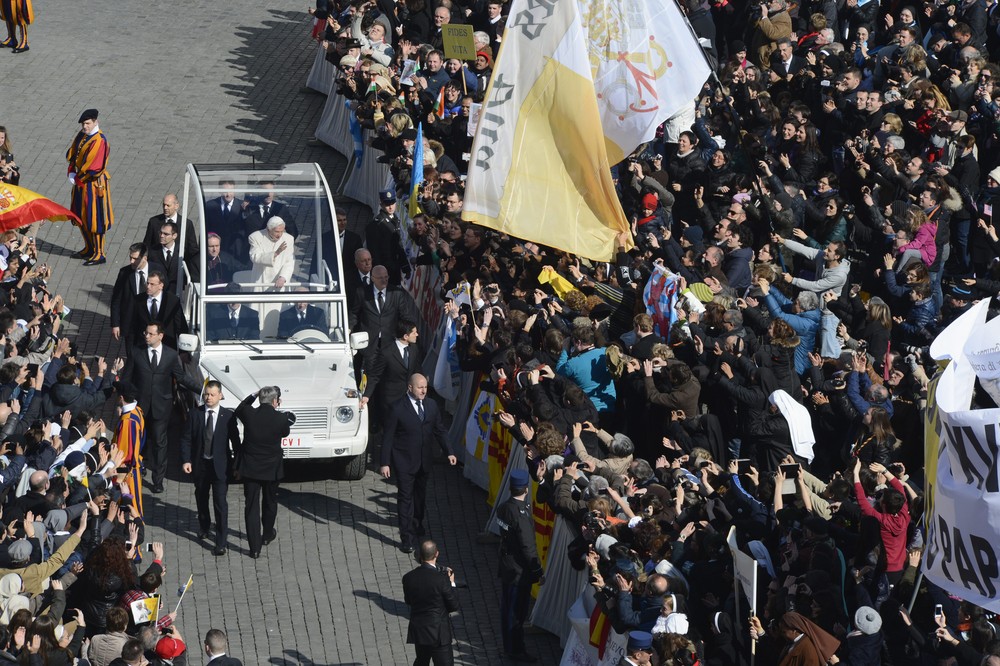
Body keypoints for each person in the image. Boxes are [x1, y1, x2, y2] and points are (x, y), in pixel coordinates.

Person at [119, 322, 201, 494]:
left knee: (160, 442)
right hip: (140, 406)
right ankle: (138, 469)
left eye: (150, 333)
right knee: (138, 441)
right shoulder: (137, 352)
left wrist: (202, 390)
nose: (146, 336)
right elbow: (127, 377)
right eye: (145, 333)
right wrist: (125, 400)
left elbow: (181, 377)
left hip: (161, 407)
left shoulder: (171, 355)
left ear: (160, 336)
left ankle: (158, 479)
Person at [379, 374, 456, 553]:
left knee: (420, 497)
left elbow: (439, 430)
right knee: (405, 498)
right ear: (410, 387)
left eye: (425, 387)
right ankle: (406, 537)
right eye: (420, 387)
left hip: (424, 461)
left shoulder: (431, 405)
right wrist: (385, 463)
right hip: (404, 462)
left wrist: (449, 452)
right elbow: (388, 437)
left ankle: (417, 522)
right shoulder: (397, 408)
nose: (423, 390)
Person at [233, 386, 294, 559]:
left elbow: (240, 408)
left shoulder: (249, 414)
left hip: (250, 468)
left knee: (251, 506)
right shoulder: (281, 418)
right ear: (275, 401)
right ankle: (267, 534)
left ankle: (254, 548)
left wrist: (253, 394)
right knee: (270, 501)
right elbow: (285, 432)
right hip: (272, 468)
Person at [181, 381, 237, 557]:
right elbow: (186, 439)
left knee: (220, 504)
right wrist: (186, 460)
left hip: (220, 467)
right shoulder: (195, 414)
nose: (208, 398)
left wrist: (237, 466)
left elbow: (235, 442)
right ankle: (204, 526)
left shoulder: (228, 416)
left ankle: (221, 541)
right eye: (206, 394)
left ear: (220, 395)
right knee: (201, 498)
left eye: (212, 394)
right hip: (201, 465)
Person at [496, 468, 544, 662]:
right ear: (525, 489)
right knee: (516, 613)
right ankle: (515, 649)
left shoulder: (504, 508)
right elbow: (528, 547)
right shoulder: (521, 514)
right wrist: (538, 571)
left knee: (507, 608)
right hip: (519, 571)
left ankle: (509, 645)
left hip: (507, 566)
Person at [66, 108, 114, 265]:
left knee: (96, 218)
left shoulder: (100, 141)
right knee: (80, 216)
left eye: (87, 123)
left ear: (95, 122)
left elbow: (95, 168)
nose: (84, 127)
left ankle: (99, 253)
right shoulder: (82, 135)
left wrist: (78, 177)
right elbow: (72, 155)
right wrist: (72, 171)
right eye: (83, 124)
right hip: (81, 183)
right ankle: (89, 247)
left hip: (94, 186)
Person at [402, 539, 460, 666]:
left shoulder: (408, 577)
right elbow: (453, 605)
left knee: (422, 661)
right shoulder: (442, 580)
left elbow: (408, 601)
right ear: (437, 554)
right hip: (438, 634)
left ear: (420, 556)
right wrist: (452, 583)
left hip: (420, 631)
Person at [361, 318, 420, 423]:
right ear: (406, 336)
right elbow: (375, 375)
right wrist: (366, 395)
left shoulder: (414, 349)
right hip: (391, 400)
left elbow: (416, 369)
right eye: (414, 333)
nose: (417, 335)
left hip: (408, 398)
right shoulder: (386, 352)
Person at [349, 264, 419, 351]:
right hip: (369, 344)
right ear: (372, 278)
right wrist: (349, 328)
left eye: (386, 277)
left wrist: (412, 330)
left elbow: (405, 315)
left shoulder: (397, 293)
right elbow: (354, 313)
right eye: (380, 278)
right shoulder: (362, 293)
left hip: (390, 343)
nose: (384, 280)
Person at [248, 216, 295, 332]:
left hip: (278, 282)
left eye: (282, 231)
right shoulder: (255, 237)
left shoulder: (288, 239)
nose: (280, 235)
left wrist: (283, 277)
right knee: (258, 314)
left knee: (276, 313)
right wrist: (275, 253)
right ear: (269, 230)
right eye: (277, 232)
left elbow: (290, 261)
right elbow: (255, 257)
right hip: (261, 281)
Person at [111, 243, 156, 351]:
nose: (131, 261)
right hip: (131, 324)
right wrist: (115, 324)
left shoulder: (156, 270)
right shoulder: (124, 273)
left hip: (151, 323)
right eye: (130, 258)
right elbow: (116, 300)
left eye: (135, 259)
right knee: (131, 355)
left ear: (144, 258)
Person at [132, 270, 188, 350]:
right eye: (147, 283)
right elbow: (133, 326)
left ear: (161, 285)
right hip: (143, 348)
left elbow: (180, 326)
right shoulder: (138, 300)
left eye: (152, 284)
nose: (148, 286)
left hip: (167, 348)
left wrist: (184, 351)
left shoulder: (172, 301)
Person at [113, 380, 145, 517]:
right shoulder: (137, 411)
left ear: (121, 398)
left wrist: (118, 479)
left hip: (126, 473)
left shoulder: (127, 421)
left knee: (130, 508)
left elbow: (124, 454)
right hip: (134, 465)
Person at [365, 189, 410, 285]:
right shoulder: (376, 225)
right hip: (384, 269)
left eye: (392, 203)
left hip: (394, 267)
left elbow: (398, 245)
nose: (390, 207)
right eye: (387, 204)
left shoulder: (394, 219)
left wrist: (405, 266)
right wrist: (378, 270)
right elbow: (374, 251)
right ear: (381, 205)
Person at [143, 193, 197, 261]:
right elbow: (147, 245)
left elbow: (192, 248)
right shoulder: (154, 222)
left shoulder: (186, 224)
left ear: (176, 206)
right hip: (158, 263)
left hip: (179, 264)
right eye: (164, 205)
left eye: (168, 205)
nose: (165, 208)